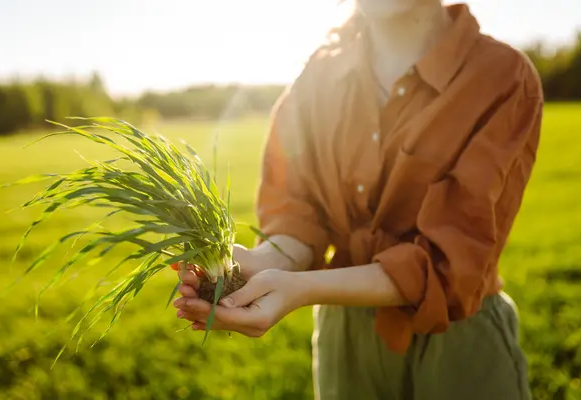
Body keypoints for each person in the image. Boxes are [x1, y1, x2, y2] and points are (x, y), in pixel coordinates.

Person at [173, 0, 543, 398]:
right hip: (343, 338)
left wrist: (304, 288)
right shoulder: (316, 76)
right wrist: (265, 262)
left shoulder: (500, 77)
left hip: (457, 339)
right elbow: (299, 215)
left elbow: (448, 264)